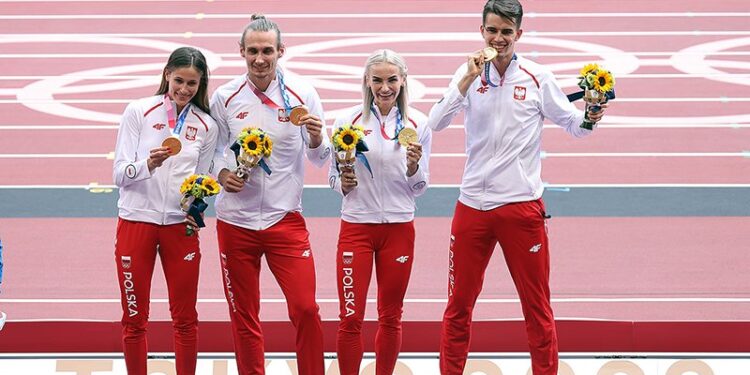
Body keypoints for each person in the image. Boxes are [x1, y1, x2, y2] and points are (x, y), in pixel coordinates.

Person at [427, 1, 608, 374]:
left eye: (506, 32)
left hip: (521, 208)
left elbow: (574, 125)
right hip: (472, 206)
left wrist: (590, 116)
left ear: (518, 35)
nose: (499, 38)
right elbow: (436, 123)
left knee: (536, 306)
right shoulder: (466, 74)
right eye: (492, 30)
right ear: (481, 32)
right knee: (458, 307)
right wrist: (466, 79)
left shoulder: (538, 77)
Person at [210, 14, 332, 375]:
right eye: (252, 51)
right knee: (244, 315)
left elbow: (321, 157)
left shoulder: (302, 94)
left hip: (284, 220)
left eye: (267, 51)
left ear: (281, 51)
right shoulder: (225, 96)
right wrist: (222, 173)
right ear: (241, 52)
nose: (259, 59)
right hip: (235, 222)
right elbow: (212, 150)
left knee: (306, 309)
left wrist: (315, 136)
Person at [112, 46, 218, 375]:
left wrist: (197, 208)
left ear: (201, 85)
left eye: (192, 84)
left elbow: (204, 180)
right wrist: (148, 164)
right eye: (179, 81)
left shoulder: (206, 125)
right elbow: (118, 175)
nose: (184, 90)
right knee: (134, 317)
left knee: (186, 318)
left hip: (179, 228)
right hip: (136, 223)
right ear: (166, 75)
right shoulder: (138, 111)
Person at [328, 49, 431, 375]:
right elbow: (332, 179)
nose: (385, 88)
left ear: (403, 81)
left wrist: (414, 167)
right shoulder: (347, 122)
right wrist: (344, 182)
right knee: (350, 317)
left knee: (390, 315)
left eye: (391, 80)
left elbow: (420, 188)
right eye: (377, 80)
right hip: (357, 227)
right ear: (367, 82)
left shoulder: (419, 123)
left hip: (399, 227)